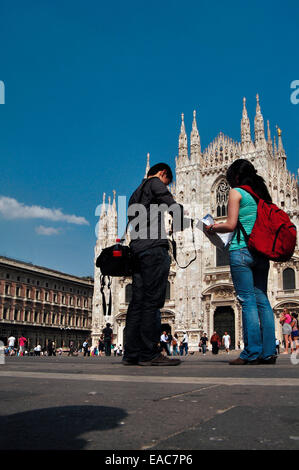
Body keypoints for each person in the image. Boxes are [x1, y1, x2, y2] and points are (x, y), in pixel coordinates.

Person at [206, 159, 277, 365]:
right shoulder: (261, 194)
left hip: (242, 251)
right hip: (261, 253)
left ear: (236, 177)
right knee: (263, 301)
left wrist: (211, 228)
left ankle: (251, 352)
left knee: (247, 302)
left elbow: (230, 224)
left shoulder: (236, 193)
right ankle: (269, 351)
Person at [122, 163, 186, 366]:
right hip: (153, 249)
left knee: (137, 303)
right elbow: (173, 206)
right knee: (152, 302)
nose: (165, 186)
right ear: (162, 174)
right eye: (167, 182)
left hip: (137, 250)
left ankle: (131, 353)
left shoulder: (135, 194)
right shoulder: (156, 183)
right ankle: (150, 353)